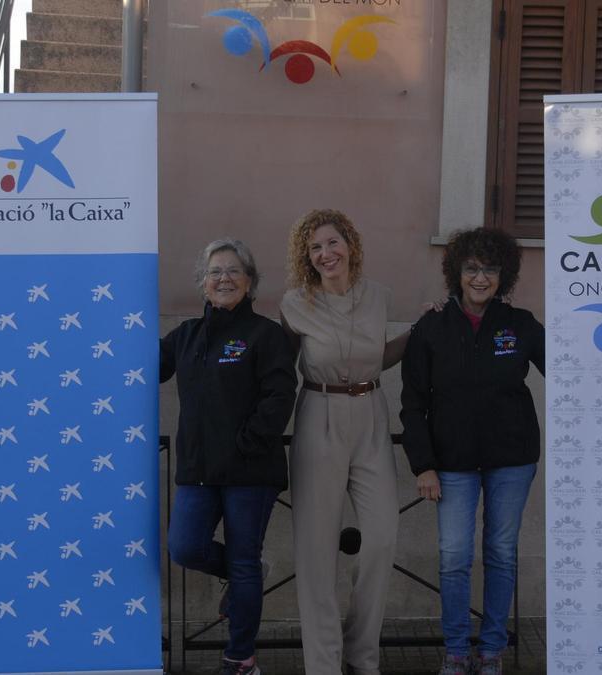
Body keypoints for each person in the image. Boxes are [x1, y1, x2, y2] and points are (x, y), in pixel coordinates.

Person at [399, 228, 544, 675]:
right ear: (457, 273)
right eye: (472, 268)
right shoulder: (431, 326)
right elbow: (413, 402)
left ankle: (493, 650)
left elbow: (572, 369)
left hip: (512, 458)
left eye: (490, 269)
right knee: (454, 556)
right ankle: (457, 651)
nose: (481, 278)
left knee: (501, 552)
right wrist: (422, 465)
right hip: (451, 463)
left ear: (505, 274)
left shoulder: (521, 325)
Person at [279, 209, 410, 675]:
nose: (325, 253)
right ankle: (323, 664)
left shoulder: (378, 297)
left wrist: (418, 334)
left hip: (371, 414)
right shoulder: (294, 304)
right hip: (319, 414)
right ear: (307, 257)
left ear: (350, 244)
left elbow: (379, 357)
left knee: (381, 538)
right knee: (315, 551)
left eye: (332, 243)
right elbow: (280, 370)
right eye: (315, 247)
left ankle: (362, 656)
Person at [161, 239, 297, 675]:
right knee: (185, 547)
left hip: (250, 472)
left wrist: (245, 444)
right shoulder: (184, 337)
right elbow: (137, 368)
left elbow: (279, 397)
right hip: (199, 472)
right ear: (202, 284)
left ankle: (240, 659)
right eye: (215, 272)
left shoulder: (266, 335)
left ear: (250, 283)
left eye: (234, 271)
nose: (224, 279)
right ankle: (250, 572)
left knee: (241, 562)